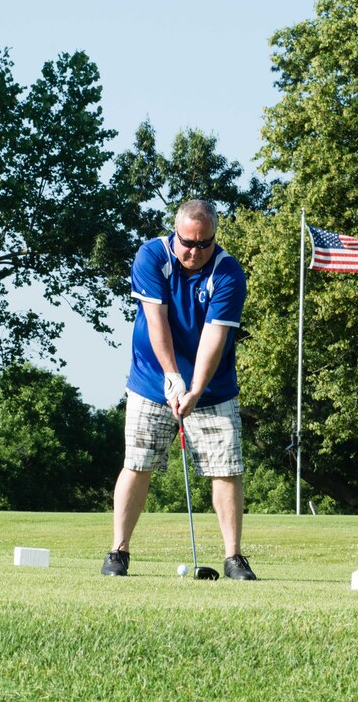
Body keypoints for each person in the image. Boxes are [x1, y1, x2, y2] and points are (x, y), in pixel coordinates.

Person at [102, 199, 256, 580]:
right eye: (188, 242)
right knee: (138, 463)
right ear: (176, 235)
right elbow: (158, 322)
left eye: (204, 243)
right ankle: (118, 552)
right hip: (151, 382)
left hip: (213, 389)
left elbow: (213, 337)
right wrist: (172, 377)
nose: (195, 251)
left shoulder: (228, 273)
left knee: (226, 469)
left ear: (214, 239)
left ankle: (234, 557)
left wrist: (195, 389)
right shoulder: (152, 256)